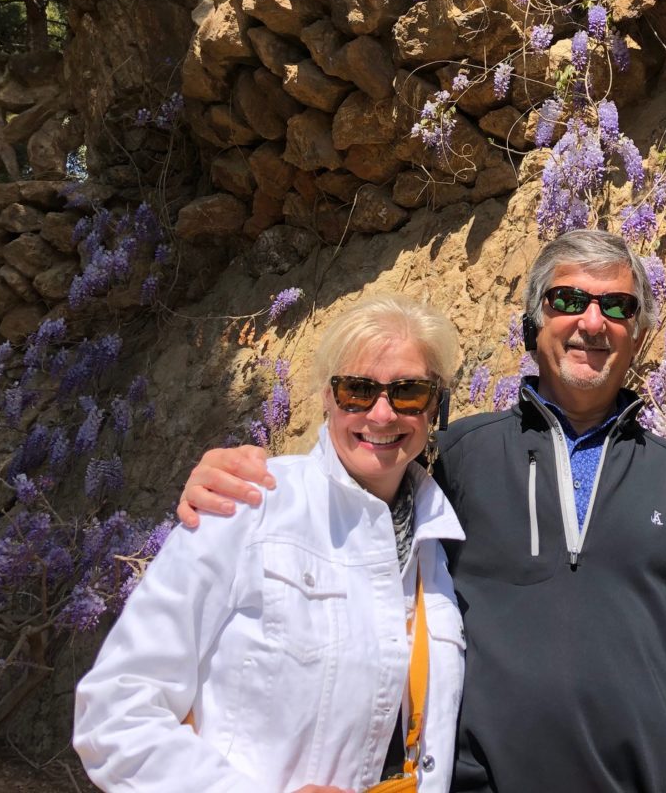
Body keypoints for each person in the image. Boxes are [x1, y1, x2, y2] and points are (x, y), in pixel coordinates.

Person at [180, 230, 666, 793]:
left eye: (617, 307)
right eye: (568, 299)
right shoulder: (455, 458)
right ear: (534, 322)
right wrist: (251, 483)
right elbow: (351, 511)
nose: (592, 322)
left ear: (638, 333)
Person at [75, 294, 467, 793]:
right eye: (357, 391)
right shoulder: (246, 506)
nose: (384, 414)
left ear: (437, 404)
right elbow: (114, 710)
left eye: (409, 392)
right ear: (327, 397)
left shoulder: (437, 543)